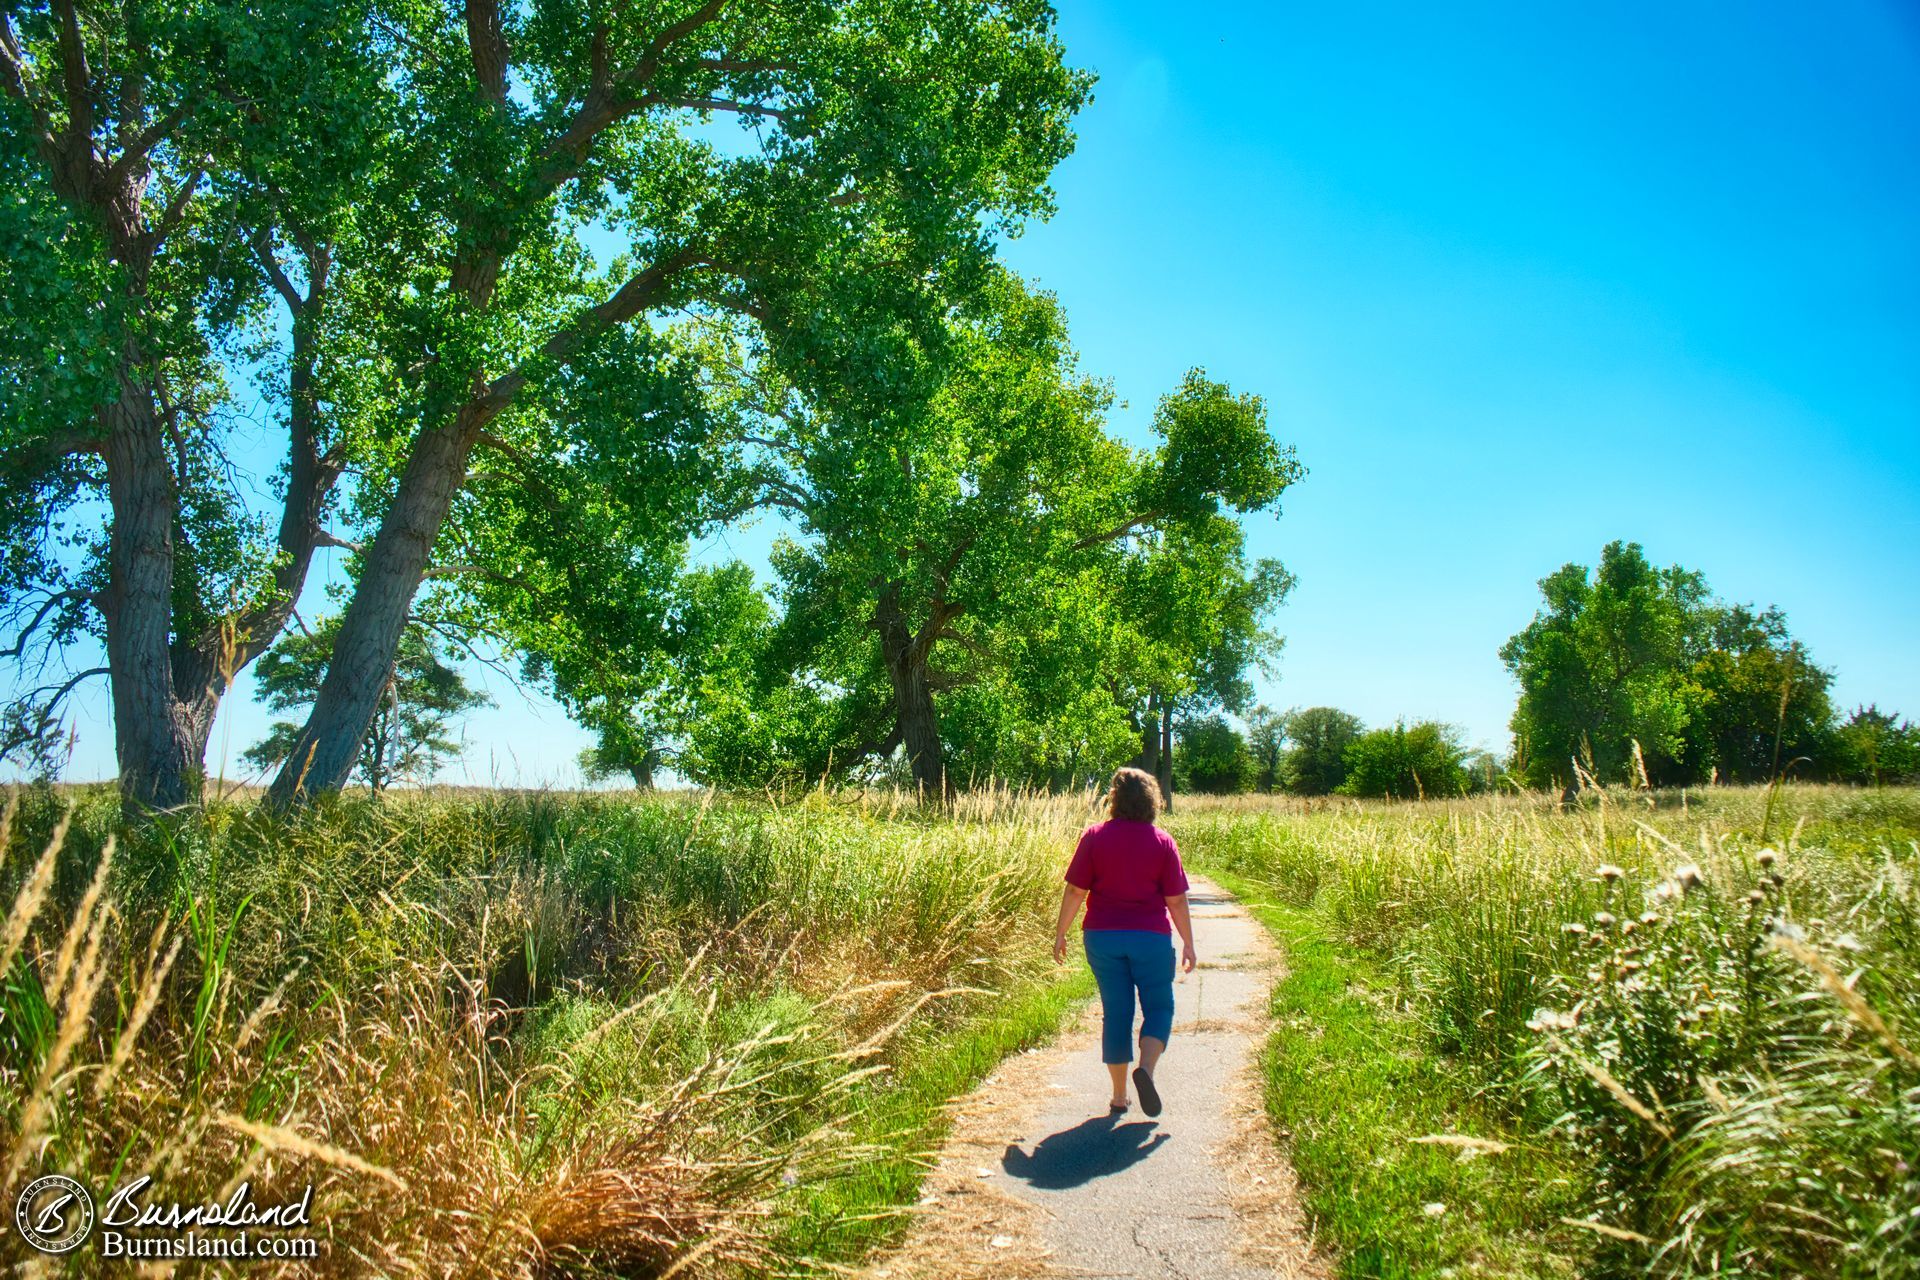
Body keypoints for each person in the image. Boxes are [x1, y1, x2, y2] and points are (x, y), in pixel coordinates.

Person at [1052, 766, 1197, 1116]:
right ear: (1152, 801)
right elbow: (1176, 900)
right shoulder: (1162, 842)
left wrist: (1060, 933)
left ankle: (1119, 1096)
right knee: (1159, 1008)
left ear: (1114, 800)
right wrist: (1189, 942)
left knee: (1116, 1013)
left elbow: (1075, 889)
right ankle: (1144, 1071)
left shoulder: (1094, 836)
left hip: (1102, 937)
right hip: (1150, 938)